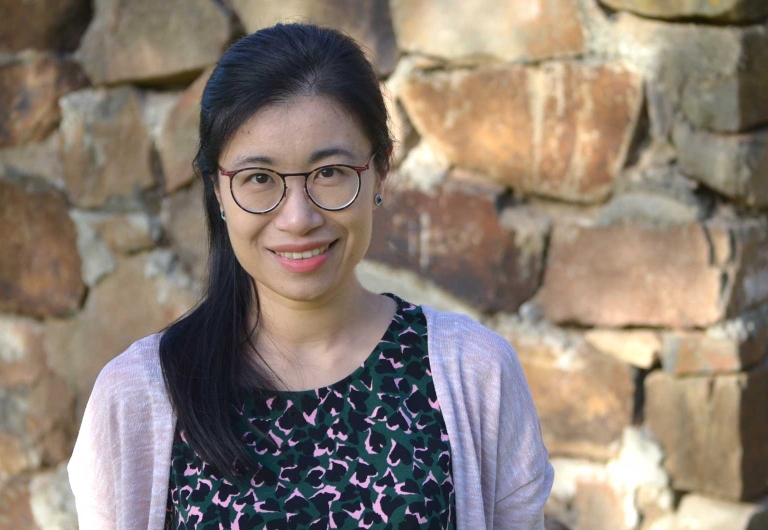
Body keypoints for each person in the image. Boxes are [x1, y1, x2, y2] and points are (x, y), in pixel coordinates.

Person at [68, 23, 553, 530]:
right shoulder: (141, 394)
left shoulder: (476, 374)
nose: (298, 218)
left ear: (380, 170)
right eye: (259, 179)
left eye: (329, 172)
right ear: (216, 188)